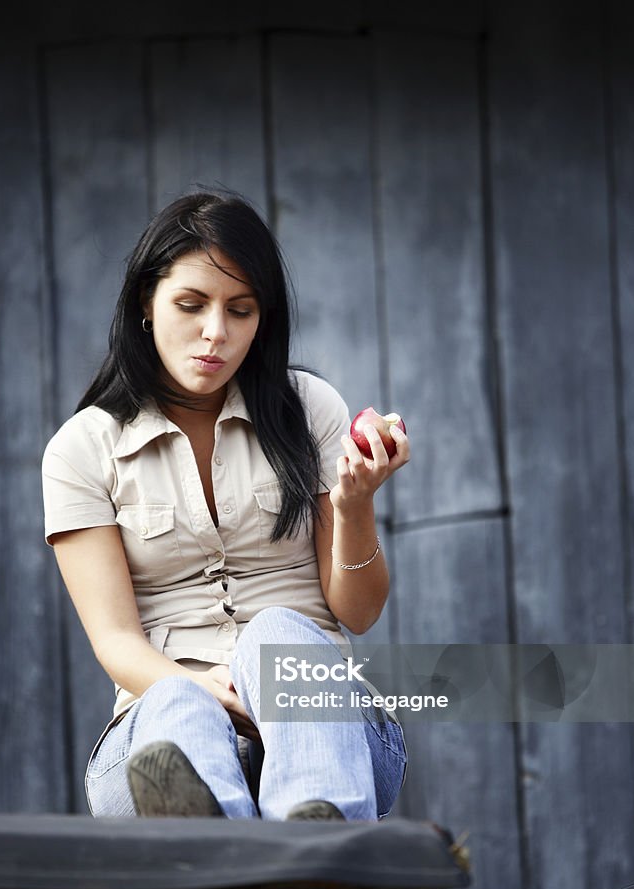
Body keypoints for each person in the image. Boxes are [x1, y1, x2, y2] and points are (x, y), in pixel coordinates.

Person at [41, 189, 409, 822]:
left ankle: (314, 831)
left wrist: (353, 506)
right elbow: (116, 640)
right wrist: (198, 687)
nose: (216, 333)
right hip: (158, 726)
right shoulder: (81, 449)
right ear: (145, 305)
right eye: (192, 305)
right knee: (177, 707)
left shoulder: (309, 409)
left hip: (325, 723)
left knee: (278, 637)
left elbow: (361, 612)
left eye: (240, 311)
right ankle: (219, 835)